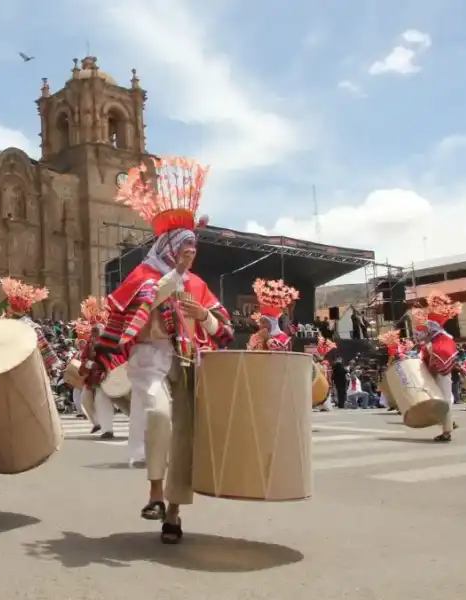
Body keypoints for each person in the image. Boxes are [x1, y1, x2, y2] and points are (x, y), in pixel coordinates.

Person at [97, 156, 233, 544]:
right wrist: (174, 278)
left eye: (193, 250)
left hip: (189, 364)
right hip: (151, 361)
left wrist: (203, 315)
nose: (190, 256)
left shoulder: (197, 285)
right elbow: (142, 304)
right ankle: (155, 493)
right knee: (158, 414)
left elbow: (222, 330)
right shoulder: (147, 275)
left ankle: (173, 515)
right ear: (170, 248)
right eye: (184, 249)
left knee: (184, 438)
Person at [411, 291, 462, 442]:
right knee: (438, 397)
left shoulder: (437, 343)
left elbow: (433, 359)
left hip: (441, 371)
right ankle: (448, 423)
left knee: (443, 398)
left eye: (422, 331)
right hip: (440, 371)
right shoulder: (438, 340)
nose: (420, 334)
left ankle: (447, 431)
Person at [0, 277, 64, 377]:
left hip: (26, 370)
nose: (5, 312)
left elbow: (44, 350)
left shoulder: (29, 326)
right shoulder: (10, 325)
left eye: (7, 308)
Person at [74, 297, 116, 439]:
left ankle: (107, 429)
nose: (94, 334)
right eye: (93, 332)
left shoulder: (108, 343)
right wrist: (89, 364)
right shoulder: (89, 344)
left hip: (107, 376)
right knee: (85, 399)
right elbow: (84, 359)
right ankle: (99, 424)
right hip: (91, 378)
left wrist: (105, 368)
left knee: (102, 399)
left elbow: (113, 358)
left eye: (96, 332)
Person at [246, 279, 299, 351]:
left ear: (273, 323)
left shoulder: (284, 338)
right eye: (261, 322)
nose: (262, 325)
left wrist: (268, 339)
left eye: (265, 322)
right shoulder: (255, 337)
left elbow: (281, 356)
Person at [313, 335, 336, 411]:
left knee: (325, 392)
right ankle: (323, 406)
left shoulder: (324, 363)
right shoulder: (321, 363)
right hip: (323, 381)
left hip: (325, 381)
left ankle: (324, 405)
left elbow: (326, 373)